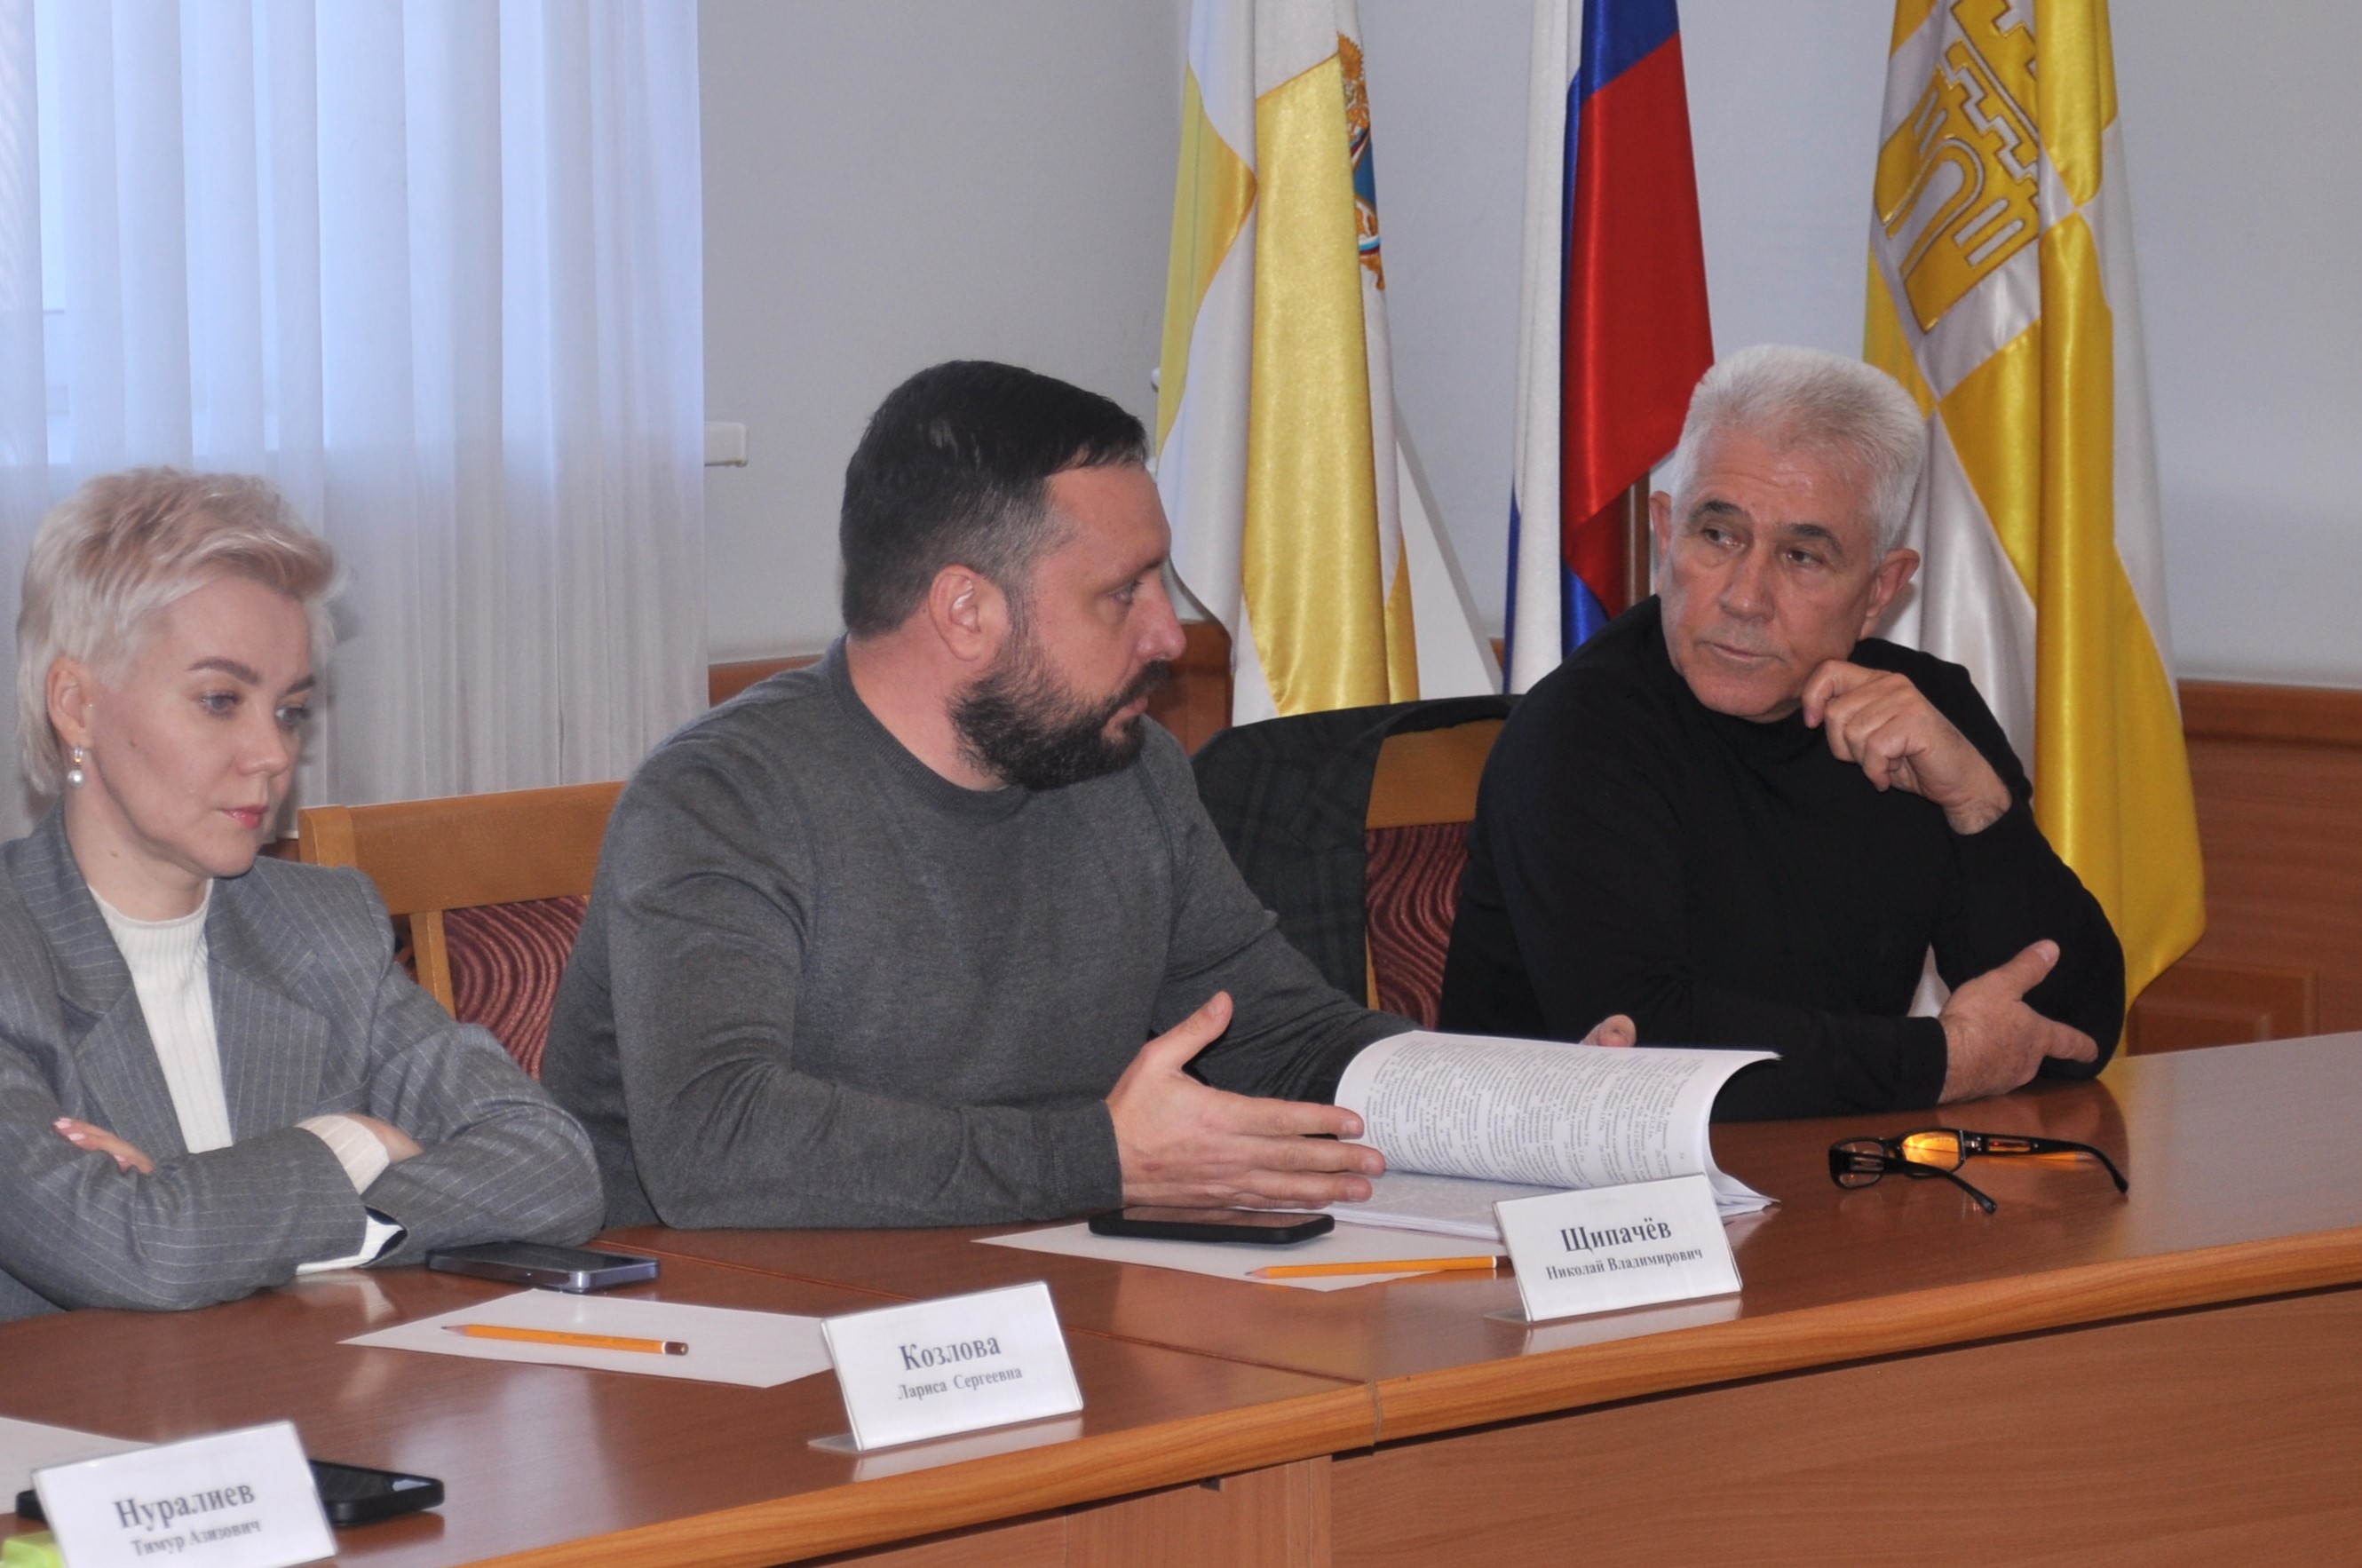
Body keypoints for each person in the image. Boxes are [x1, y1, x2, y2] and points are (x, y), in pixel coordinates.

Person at [543, 360, 1628, 1230]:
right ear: (966, 611)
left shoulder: (1125, 770)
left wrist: (1517, 1102)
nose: (1168, 634)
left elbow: (1282, 1035)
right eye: (1123, 592)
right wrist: (1101, 1157)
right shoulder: (720, 801)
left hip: (1029, 1302)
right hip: (728, 1343)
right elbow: (717, 1141)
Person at [1439, 345, 2125, 1119]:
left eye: (1802, 556)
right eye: (1718, 535)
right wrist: (1942, 1060)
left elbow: (2075, 1032)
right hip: (1565, 1183)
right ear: (1665, 533)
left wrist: (1977, 805)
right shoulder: (1579, 733)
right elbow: (1644, 1047)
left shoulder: (1918, 714)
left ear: (1881, 590)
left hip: (1826, 1170)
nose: (1745, 597)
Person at [0, 470, 602, 1322]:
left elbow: (552, 1166)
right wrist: (350, 1141)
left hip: (299, 1393)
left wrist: (240, 1215)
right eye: (220, 701)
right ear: (76, 705)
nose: (274, 754)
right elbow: (136, 1252)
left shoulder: (319, 924)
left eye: (288, 710)